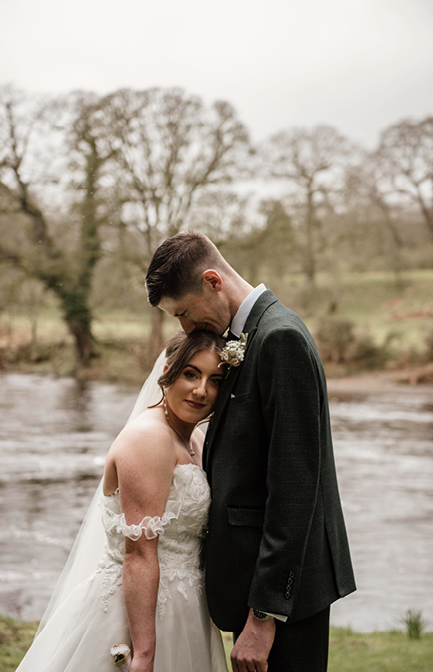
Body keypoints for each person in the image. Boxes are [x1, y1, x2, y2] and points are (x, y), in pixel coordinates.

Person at [145, 231, 357, 672]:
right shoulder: (248, 337)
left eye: (184, 312)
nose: (185, 328)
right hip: (256, 590)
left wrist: (264, 616)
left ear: (212, 281)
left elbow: (296, 489)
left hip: (285, 603)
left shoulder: (279, 339)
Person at [17, 331, 229, 672]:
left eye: (214, 380)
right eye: (191, 374)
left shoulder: (197, 440)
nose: (202, 390)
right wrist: (144, 653)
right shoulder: (148, 438)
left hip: (187, 610)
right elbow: (140, 552)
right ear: (167, 373)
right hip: (140, 615)